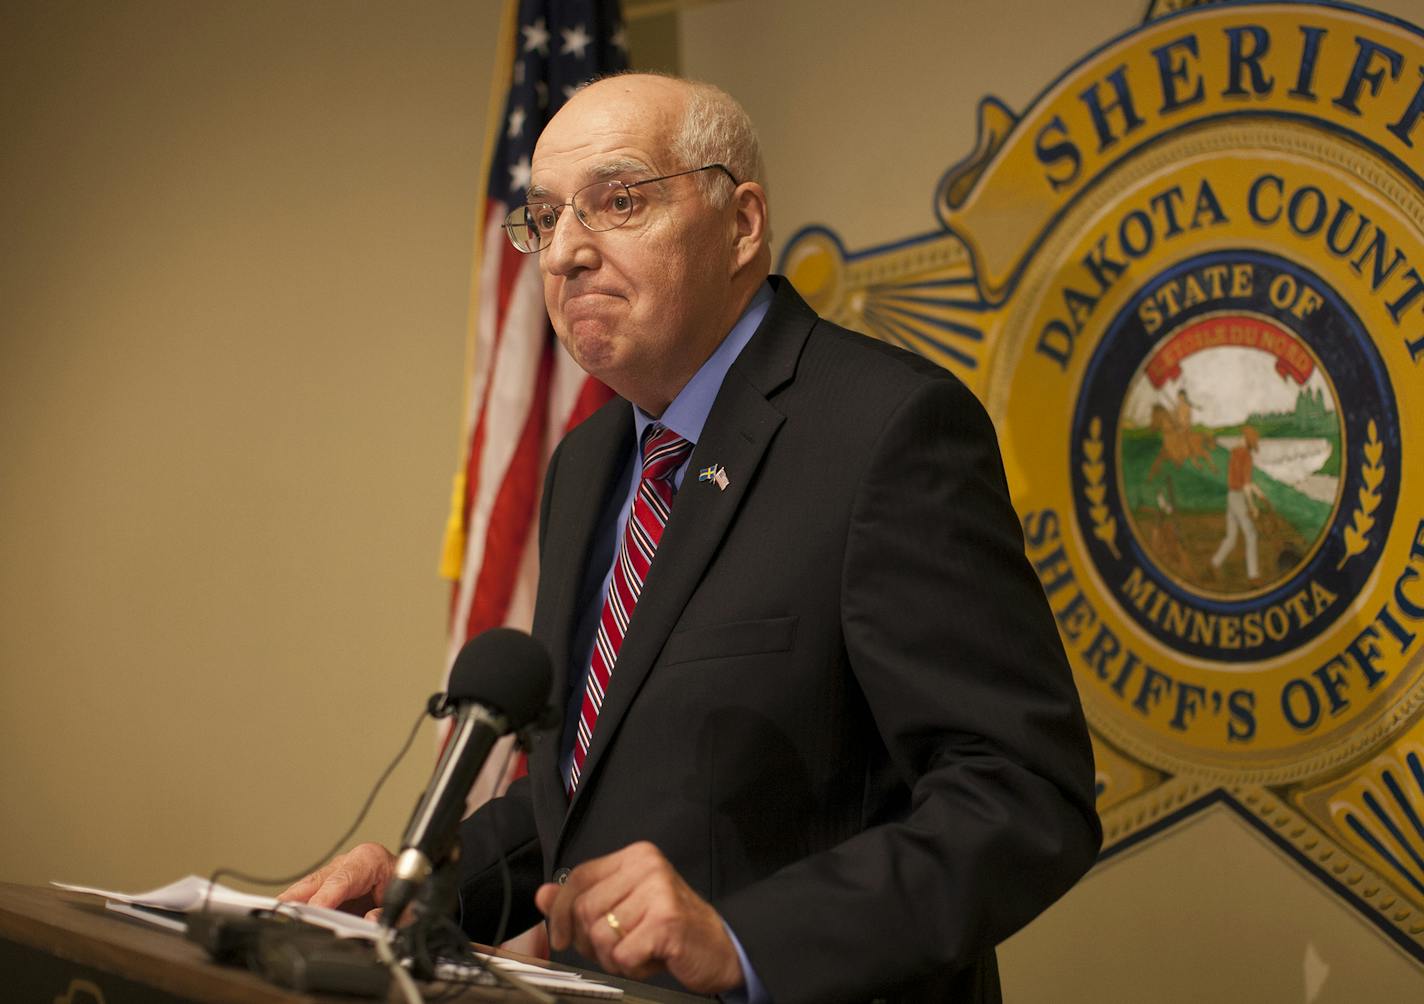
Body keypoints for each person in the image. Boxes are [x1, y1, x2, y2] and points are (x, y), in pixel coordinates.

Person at [281, 73, 1100, 1003]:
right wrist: (421, 891)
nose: (567, 254)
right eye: (546, 219)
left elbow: (1027, 796)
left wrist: (743, 939)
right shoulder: (587, 461)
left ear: (742, 222)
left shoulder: (886, 430)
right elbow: (576, 789)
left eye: (617, 202)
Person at [1211, 424, 1266, 583]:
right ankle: (1253, 575)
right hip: (1239, 498)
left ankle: (1215, 563)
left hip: (1231, 495)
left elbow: (1244, 482)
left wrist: (1259, 493)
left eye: (1242, 436)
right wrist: (1253, 506)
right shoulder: (1246, 457)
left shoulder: (1235, 453)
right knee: (1251, 534)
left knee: (1231, 537)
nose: (1240, 438)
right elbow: (1246, 485)